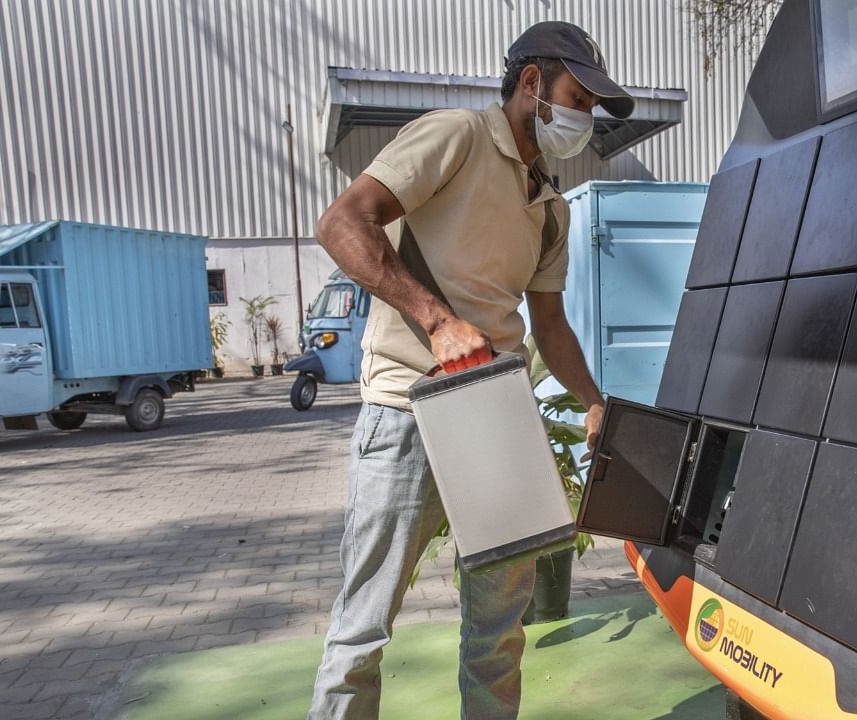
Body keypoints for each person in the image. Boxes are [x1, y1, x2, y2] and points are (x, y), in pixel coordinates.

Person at [307, 21, 634, 720]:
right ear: (531, 83)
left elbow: (550, 323)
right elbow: (342, 222)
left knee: (497, 633)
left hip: (497, 420)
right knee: (363, 627)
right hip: (408, 411)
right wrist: (434, 317)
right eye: (577, 96)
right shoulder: (453, 136)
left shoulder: (548, 205)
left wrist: (592, 398)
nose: (583, 118)